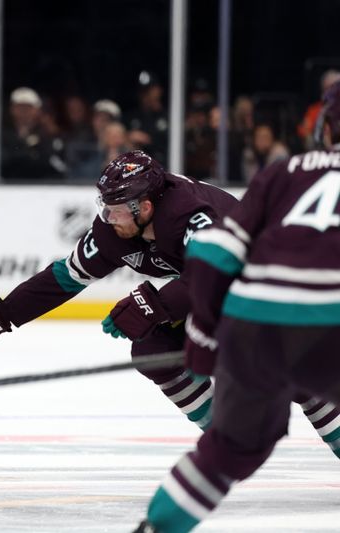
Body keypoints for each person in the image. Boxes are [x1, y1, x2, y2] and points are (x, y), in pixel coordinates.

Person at [0, 150, 340, 453]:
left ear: (147, 207)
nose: (108, 217)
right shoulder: (114, 231)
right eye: (105, 206)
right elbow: (63, 278)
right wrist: (1, 315)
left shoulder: (191, 215)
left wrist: (156, 303)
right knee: (152, 348)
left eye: (117, 208)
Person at [133, 80, 340, 533]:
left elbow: (212, 256)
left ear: (326, 126)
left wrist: (205, 341)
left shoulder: (283, 172)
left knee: (228, 450)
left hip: (258, 325)